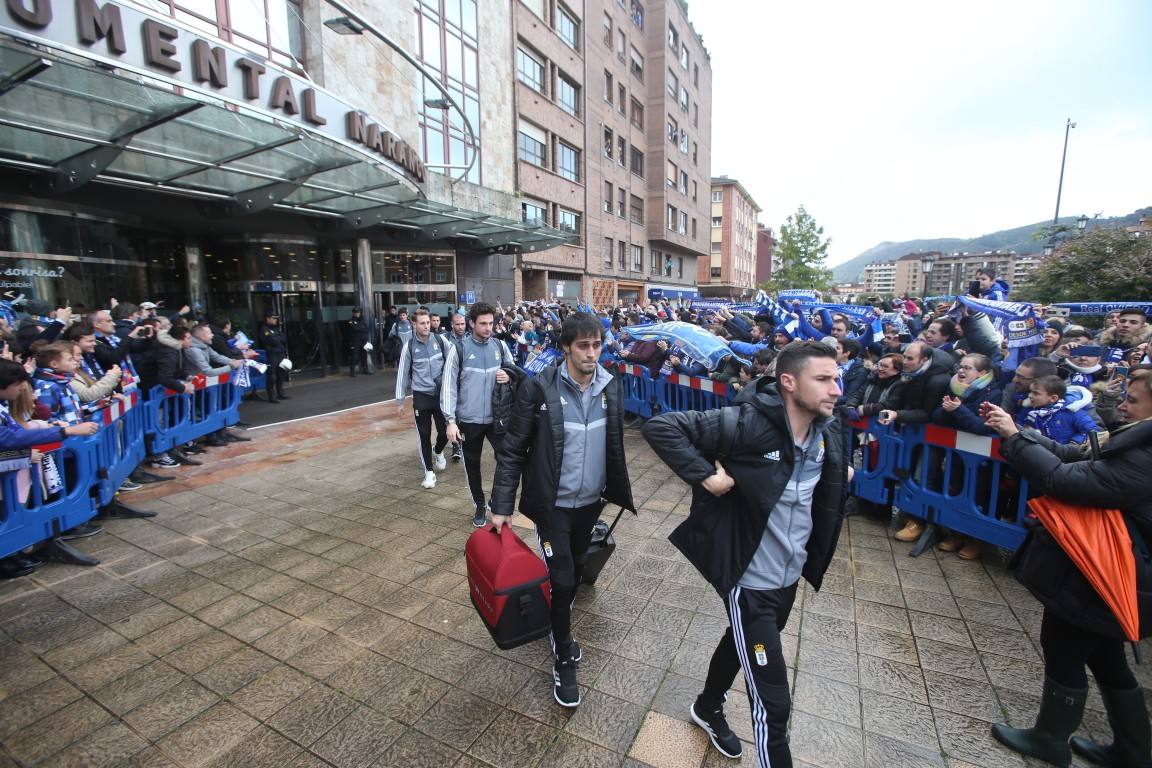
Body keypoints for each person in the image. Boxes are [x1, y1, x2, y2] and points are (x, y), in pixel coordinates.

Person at [642, 341, 850, 766]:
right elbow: (663, 427)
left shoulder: (828, 427)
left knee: (738, 645)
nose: (837, 389)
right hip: (750, 580)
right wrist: (705, 476)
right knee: (773, 703)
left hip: (789, 577)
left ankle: (707, 705)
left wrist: (841, 474)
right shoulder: (748, 423)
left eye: (838, 378)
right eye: (824, 379)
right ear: (789, 382)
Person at [982, 370, 1152, 768]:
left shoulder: (1145, 457)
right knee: (1106, 655)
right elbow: (1073, 456)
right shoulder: (1135, 441)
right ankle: (1134, 750)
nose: (1122, 405)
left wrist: (1013, 440)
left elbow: (1062, 479)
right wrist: (1019, 432)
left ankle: (1050, 739)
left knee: (1064, 649)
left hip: (1108, 570)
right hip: (1113, 569)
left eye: (1133, 399)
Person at [490, 312, 635, 708]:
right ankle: (563, 652)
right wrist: (501, 504)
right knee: (565, 577)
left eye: (597, 345)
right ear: (567, 348)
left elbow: (614, 444)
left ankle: (558, 620)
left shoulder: (610, 386)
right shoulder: (539, 388)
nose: (592, 353)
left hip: (591, 503)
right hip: (552, 505)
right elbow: (514, 448)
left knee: (574, 566)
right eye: (584, 346)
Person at [441, 302, 514, 527]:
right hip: (469, 421)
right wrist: (450, 421)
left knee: (506, 460)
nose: (488, 328)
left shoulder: (500, 347)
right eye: (483, 323)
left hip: (496, 419)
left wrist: (509, 376)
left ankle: (495, 500)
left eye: (491, 323)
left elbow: (515, 371)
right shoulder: (459, 349)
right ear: (472, 323)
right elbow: (448, 386)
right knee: (472, 465)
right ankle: (480, 505)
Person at [395, 308, 449, 489]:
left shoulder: (441, 341)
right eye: (423, 323)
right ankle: (429, 472)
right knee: (424, 435)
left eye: (428, 322)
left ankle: (438, 450)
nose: (426, 326)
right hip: (421, 396)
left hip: (440, 396)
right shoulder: (409, 346)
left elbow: (452, 367)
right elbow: (402, 373)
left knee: (444, 433)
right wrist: (400, 400)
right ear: (414, 324)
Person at [1016, 375, 1098, 445]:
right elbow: (1019, 428)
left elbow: (1092, 431)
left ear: (1053, 398)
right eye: (1030, 392)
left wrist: (1074, 443)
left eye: (1036, 393)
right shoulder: (1028, 411)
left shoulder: (1071, 411)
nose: (1030, 396)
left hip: (1064, 456)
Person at [257, 313, 290, 403]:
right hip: (271, 354)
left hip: (280, 353)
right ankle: (272, 396)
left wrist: (276, 338)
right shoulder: (264, 329)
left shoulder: (275, 328)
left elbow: (284, 337)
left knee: (281, 373)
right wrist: (277, 338)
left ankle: (280, 393)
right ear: (268, 319)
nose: (276, 320)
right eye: (273, 318)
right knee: (272, 375)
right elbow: (271, 340)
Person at [347, 307, 371, 377]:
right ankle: (352, 371)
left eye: (358, 312)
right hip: (355, 341)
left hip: (364, 340)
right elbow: (355, 328)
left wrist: (359, 328)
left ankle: (365, 369)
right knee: (354, 356)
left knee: (364, 355)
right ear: (353, 313)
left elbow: (367, 329)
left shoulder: (363, 320)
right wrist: (361, 328)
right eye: (355, 312)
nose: (357, 314)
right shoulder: (351, 321)